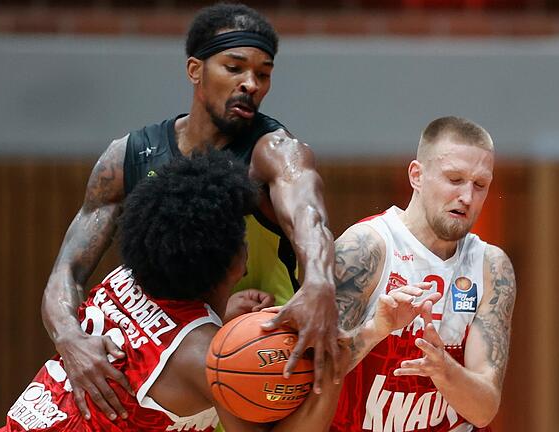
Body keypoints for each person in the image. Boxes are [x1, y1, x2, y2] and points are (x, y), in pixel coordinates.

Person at [41, 3, 339, 421]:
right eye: (234, 68)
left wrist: (322, 283)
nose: (250, 84)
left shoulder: (274, 151)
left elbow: (310, 219)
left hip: (263, 347)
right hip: (170, 352)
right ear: (195, 70)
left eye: (263, 73)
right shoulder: (129, 155)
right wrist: (68, 338)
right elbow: (67, 271)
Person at [0, 151, 341, 432]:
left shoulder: (126, 277)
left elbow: (153, 336)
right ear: (234, 257)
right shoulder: (206, 357)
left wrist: (221, 319)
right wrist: (337, 356)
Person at [329, 117, 517, 431]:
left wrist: (444, 369)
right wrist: (378, 329)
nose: (467, 197)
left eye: (480, 185)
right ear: (417, 175)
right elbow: (313, 375)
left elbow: (485, 410)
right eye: (454, 179)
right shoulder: (365, 248)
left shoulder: (491, 267)